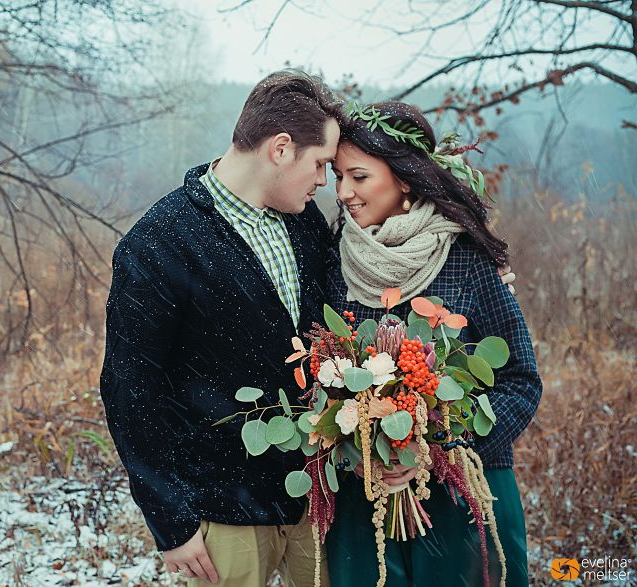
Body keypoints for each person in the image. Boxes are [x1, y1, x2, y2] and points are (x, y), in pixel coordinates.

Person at [100, 70, 344, 586]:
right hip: (220, 515)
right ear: (280, 149)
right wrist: (170, 521)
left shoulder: (304, 222)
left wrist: (476, 259)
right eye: (320, 163)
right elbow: (130, 390)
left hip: (317, 494)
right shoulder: (159, 243)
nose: (326, 181)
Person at [324, 101, 542, 586]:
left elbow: (521, 382)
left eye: (358, 177)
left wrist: (437, 448)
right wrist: (365, 447)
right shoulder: (335, 264)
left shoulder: (465, 259)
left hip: (463, 494)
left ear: (404, 178)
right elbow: (321, 378)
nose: (343, 192)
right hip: (366, 506)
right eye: (338, 176)